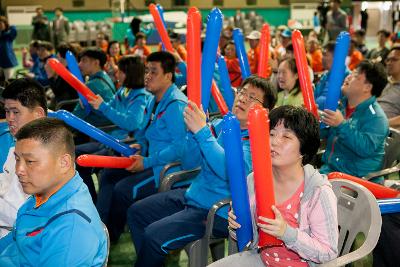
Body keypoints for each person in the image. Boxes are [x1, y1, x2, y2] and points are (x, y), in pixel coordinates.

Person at [128, 75, 277, 267]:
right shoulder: (221, 125)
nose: (242, 98)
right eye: (242, 92)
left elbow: (231, 173)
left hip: (218, 212)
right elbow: (190, 162)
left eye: (252, 97)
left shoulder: (257, 141)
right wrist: (193, 133)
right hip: (194, 195)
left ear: (264, 111)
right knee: (136, 212)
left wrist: (202, 133)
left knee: (153, 236)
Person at [208, 105, 338, 267]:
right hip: (262, 260)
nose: (274, 142)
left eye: (286, 137)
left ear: (304, 149)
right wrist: (236, 225)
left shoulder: (318, 192)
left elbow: (328, 253)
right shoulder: (254, 180)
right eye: (271, 134)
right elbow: (248, 238)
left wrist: (287, 233)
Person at [96, 51, 188, 242]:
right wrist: (141, 145)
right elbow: (149, 134)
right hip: (150, 160)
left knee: (122, 190)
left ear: (168, 76)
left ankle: (109, 238)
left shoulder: (175, 105)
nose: (147, 76)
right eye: (146, 71)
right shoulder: (154, 100)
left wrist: (146, 162)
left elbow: (180, 149)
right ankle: (101, 228)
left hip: (165, 170)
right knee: (108, 175)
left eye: (153, 72)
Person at [0, 118, 107, 266]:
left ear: (64, 163)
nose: (19, 170)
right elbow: (15, 240)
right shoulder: (44, 194)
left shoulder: (71, 228)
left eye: (30, 161)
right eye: (17, 159)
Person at [75, 55, 150, 202]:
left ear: (130, 74)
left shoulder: (141, 97)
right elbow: (109, 108)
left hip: (124, 145)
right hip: (112, 140)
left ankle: (103, 216)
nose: (117, 74)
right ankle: (92, 201)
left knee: (107, 176)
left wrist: (103, 107)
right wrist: (93, 104)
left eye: (120, 71)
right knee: (77, 156)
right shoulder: (123, 90)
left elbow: (132, 123)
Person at [320, 61, 389, 180]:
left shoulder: (377, 118)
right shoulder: (342, 106)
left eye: (356, 75)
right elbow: (322, 133)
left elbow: (365, 149)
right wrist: (313, 119)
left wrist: (341, 125)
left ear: (367, 87)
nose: (348, 76)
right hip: (330, 172)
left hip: (356, 182)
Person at [0, 78, 47, 238]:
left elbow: (21, 216)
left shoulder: (46, 156)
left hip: (27, 242)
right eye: (7, 111)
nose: (9, 118)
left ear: (39, 114)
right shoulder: (19, 145)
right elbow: (5, 182)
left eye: (16, 112)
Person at [74, 48, 116, 127]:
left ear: (96, 63)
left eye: (84, 60)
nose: (79, 64)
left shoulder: (92, 85)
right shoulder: (105, 76)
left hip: (101, 128)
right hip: (110, 124)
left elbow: (78, 114)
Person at [314, 41, 351, 110]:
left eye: (325, 54)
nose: (322, 58)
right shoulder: (325, 76)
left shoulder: (348, 78)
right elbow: (315, 97)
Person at [44, 42, 79, 109]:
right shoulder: (68, 69)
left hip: (66, 105)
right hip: (63, 103)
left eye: (57, 57)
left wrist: (50, 75)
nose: (56, 60)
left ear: (63, 58)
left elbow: (57, 91)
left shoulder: (68, 73)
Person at [378, 47, 400, 121]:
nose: (389, 63)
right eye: (388, 60)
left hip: (389, 129)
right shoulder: (385, 81)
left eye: (394, 59)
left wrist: (384, 124)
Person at [0, 16, 18, 81]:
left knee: (9, 80)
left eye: (1, 24)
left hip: (8, 62)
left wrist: (9, 26)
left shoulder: (8, 35)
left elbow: (14, 30)